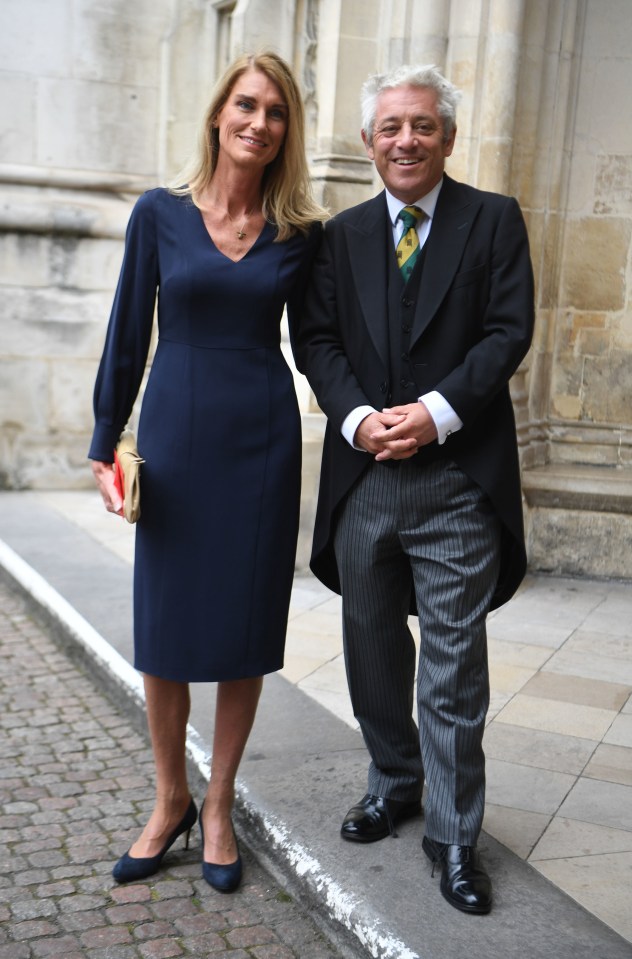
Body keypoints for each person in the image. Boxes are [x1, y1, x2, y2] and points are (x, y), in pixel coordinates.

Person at [295, 64, 534, 915]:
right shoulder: (340, 234)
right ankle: (393, 780)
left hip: (459, 481)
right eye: (390, 126)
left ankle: (454, 834)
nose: (406, 140)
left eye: (422, 125)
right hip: (364, 479)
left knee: (453, 667)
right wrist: (359, 418)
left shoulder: (495, 220)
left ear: (448, 136)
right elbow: (316, 337)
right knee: (371, 650)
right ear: (367, 142)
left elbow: (509, 331)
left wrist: (435, 414)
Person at [89, 51, 325, 892]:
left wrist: (373, 415)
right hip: (177, 442)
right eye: (247, 105)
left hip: (261, 443)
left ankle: (219, 803)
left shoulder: (302, 235)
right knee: (166, 629)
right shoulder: (158, 214)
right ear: (219, 114)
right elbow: (126, 332)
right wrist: (102, 438)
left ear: (286, 132)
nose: (259, 122)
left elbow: (324, 343)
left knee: (242, 630)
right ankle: (169, 799)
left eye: (277, 112)